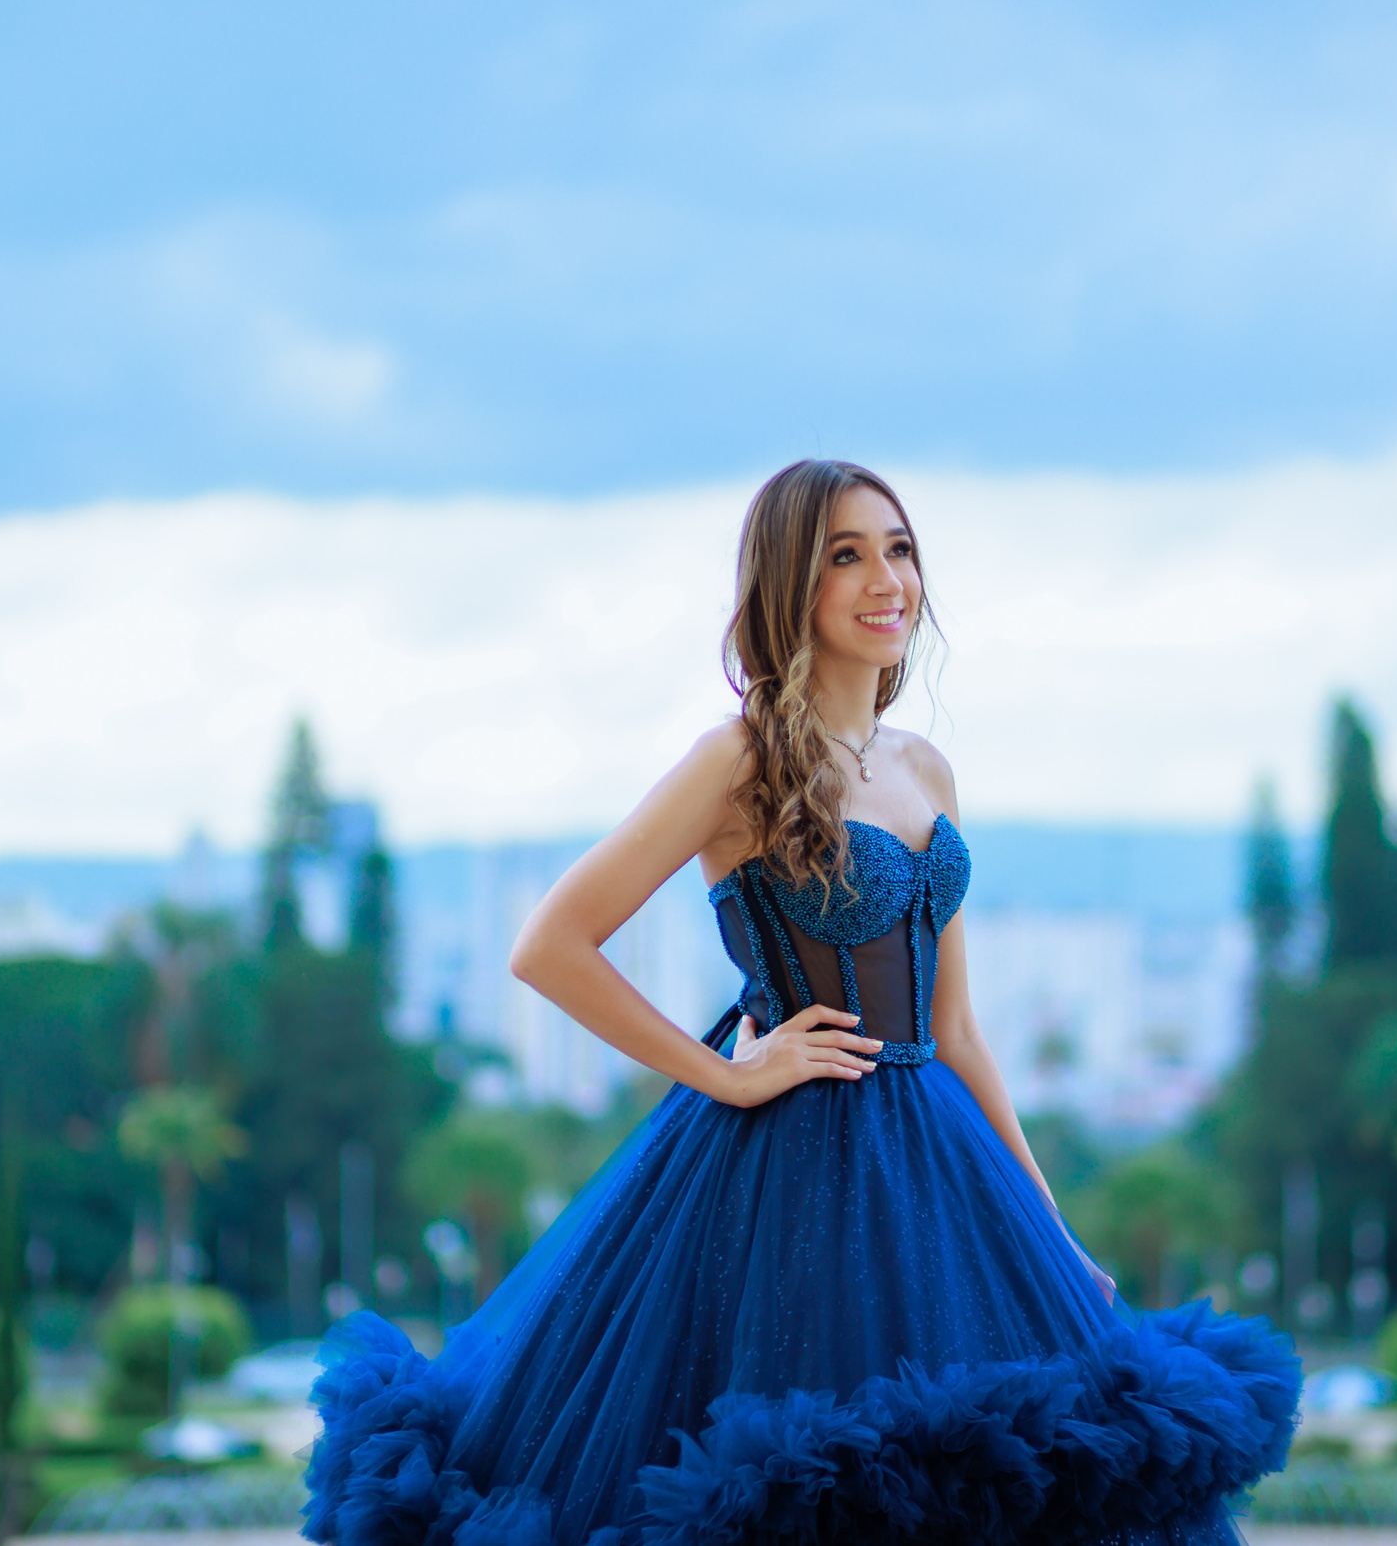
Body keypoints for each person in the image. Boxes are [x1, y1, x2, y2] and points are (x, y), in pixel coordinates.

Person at [304, 460, 1297, 1546]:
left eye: (900, 548)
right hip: (785, 1172)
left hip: (944, 1170)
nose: (887, 578)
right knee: (797, 1486)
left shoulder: (924, 768)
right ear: (791, 585)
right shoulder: (735, 759)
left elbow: (954, 1027)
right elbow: (550, 945)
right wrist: (727, 1071)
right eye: (846, 555)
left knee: (1002, 1480)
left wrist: (1046, 1220)